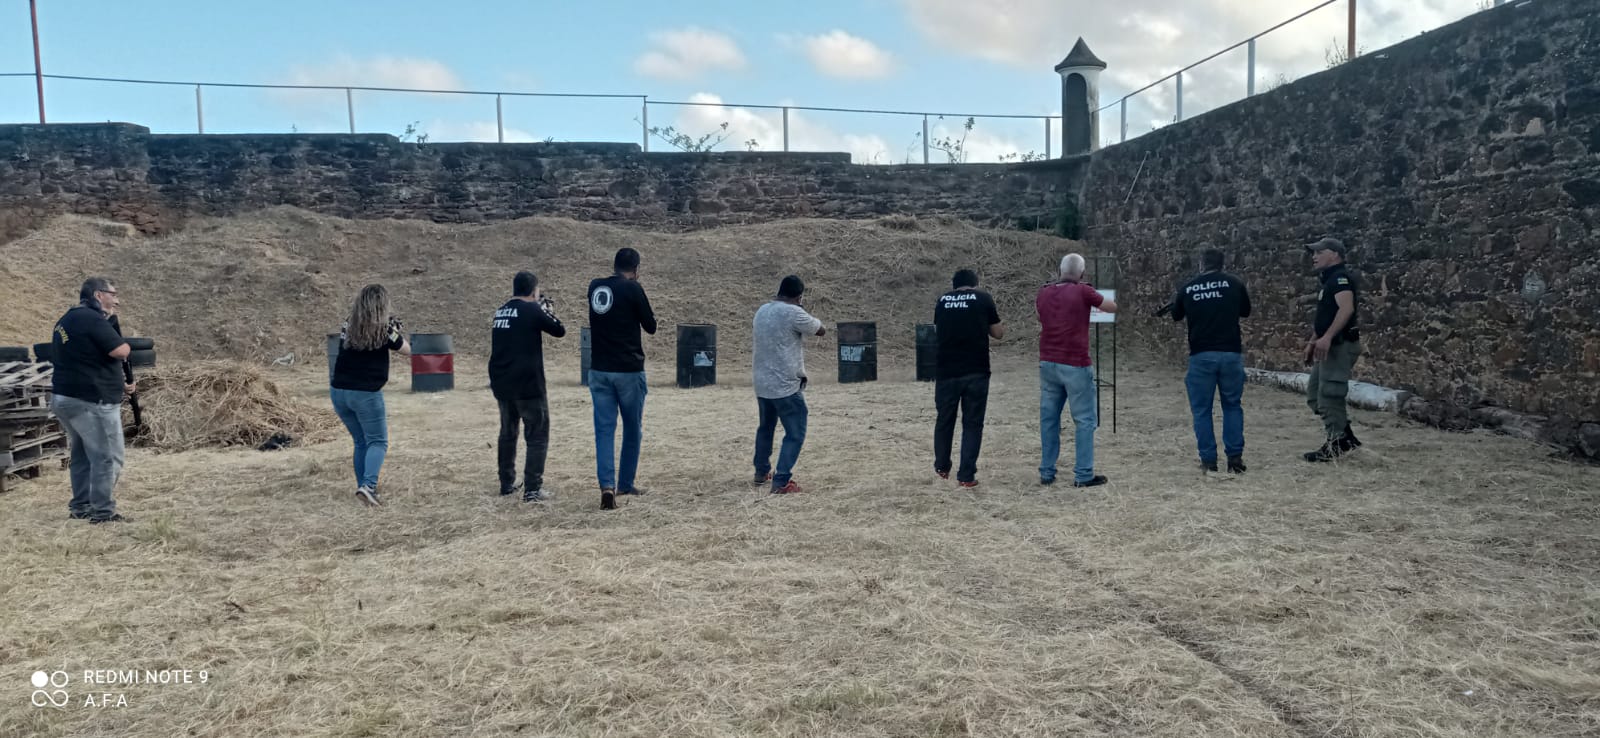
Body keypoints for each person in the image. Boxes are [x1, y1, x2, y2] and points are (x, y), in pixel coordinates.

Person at [50, 277, 133, 523]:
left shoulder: (68, 318)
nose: (116, 301)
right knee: (107, 457)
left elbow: (87, 357)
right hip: (91, 401)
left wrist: (120, 383)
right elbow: (120, 351)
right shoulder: (91, 319)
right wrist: (126, 345)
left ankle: (81, 507)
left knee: (83, 455)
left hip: (66, 397)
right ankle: (103, 512)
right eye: (113, 294)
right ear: (98, 295)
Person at [1169, 248, 1252, 473]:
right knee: (1232, 406)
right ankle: (1235, 458)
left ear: (1201, 264)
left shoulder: (1188, 287)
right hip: (1231, 353)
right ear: (1222, 264)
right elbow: (1246, 311)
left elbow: (1176, 315)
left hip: (1201, 354)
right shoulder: (1235, 283)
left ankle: (1208, 461)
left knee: (1202, 410)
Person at [1036, 253, 1116, 487]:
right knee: (1085, 420)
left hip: (1048, 361)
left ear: (1060, 271)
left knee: (1049, 419)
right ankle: (1083, 474)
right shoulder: (1083, 291)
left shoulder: (1043, 292)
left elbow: (1040, 315)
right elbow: (1111, 307)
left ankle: (1047, 472)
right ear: (1081, 273)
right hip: (1075, 362)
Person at [588, 247, 657, 510]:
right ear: (636, 269)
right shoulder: (633, 289)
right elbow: (650, 326)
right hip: (628, 369)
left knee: (604, 431)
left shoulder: (595, 287)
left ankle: (607, 485)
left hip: (599, 369)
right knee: (632, 428)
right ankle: (626, 482)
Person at [488, 271, 566, 502]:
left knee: (507, 433)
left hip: (503, 381)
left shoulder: (501, 310)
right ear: (534, 290)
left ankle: (506, 482)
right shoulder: (532, 309)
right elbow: (559, 330)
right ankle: (533, 488)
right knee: (537, 435)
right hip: (528, 384)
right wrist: (546, 309)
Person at [330, 284, 410, 506]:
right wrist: (395, 330)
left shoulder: (349, 322)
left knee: (361, 441)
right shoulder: (384, 330)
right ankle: (369, 486)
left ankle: (363, 487)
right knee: (378, 442)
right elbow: (407, 349)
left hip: (338, 391)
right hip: (364, 392)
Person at [752, 275, 825, 494]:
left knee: (766, 427)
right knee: (795, 431)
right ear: (799, 296)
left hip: (762, 383)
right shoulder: (794, 312)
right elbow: (820, 329)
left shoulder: (762, 310)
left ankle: (761, 471)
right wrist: (801, 308)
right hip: (785, 385)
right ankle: (781, 480)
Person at [932, 269, 1004, 487]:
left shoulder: (942, 300)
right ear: (974, 284)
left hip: (946, 371)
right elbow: (998, 333)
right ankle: (966, 476)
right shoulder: (983, 298)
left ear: (954, 285)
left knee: (944, 421)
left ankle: (942, 467)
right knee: (972, 424)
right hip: (976, 371)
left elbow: (938, 329)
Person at [1302, 237, 1363, 462]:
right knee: (1315, 396)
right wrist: (1313, 342)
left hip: (1339, 345)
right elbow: (1326, 317)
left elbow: (1346, 309)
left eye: (1319, 252)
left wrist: (1326, 338)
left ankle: (1337, 443)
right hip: (1328, 345)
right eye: (1313, 252)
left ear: (1335, 255)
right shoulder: (1329, 281)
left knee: (1329, 395)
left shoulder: (1340, 279)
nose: (1314, 257)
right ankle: (1346, 438)